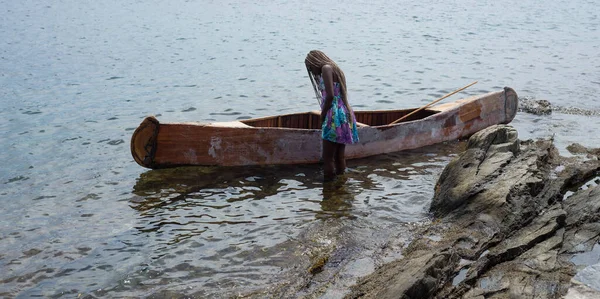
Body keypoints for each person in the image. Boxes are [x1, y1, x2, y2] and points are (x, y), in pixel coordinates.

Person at [305, 50, 359, 181]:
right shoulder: (334, 68)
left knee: (328, 158)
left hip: (334, 114)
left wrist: (323, 115)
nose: (312, 71)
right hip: (343, 112)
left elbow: (330, 95)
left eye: (310, 67)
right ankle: (341, 184)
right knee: (339, 156)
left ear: (315, 61)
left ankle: (328, 189)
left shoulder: (326, 68)